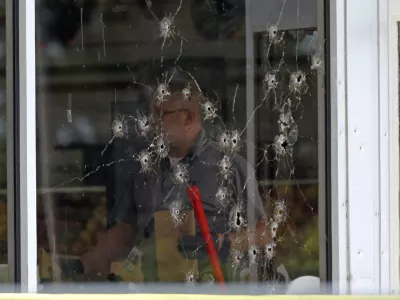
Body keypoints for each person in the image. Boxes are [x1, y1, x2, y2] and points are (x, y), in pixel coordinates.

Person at [63, 73, 271, 282]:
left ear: (189, 117)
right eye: (151, 113)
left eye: (161, 114)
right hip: (154, 287)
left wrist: (222, 243)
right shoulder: (144, 168)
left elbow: (263, 233)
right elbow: (126, 230)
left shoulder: (230, 166)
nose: (152, 121)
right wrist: (85, 263)